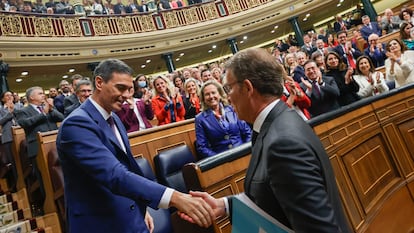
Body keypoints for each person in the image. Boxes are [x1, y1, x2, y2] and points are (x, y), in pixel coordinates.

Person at [182, 48, 352, 233]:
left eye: (229, 88)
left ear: (248, 88)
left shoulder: (283, 144)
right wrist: (225, 205)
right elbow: (273, 195)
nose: (228, 97)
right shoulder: (276, 121)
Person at [56, 59, 215, 233]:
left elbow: (128, 166)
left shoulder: (114, 117)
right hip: (102, 223)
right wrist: (175, 197)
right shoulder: (76, 124)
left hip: (131, 216)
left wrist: (142, 207)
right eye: (121, 88)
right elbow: (114, 175)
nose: (126, 95)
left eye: (129, 89)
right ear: (99, 83)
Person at [195, 80, 251, 159]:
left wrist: (246, 150)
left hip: (244, 154)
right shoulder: (200, 119)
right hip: (222, 161)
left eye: (213, 92)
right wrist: (219, 159)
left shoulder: (232, 109)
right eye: (207, 94)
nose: (211, 96)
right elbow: (202, 147)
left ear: (220, 94)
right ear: (203, 99)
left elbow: (247, 133)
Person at [0, 91, 22, 190]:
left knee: (23, 160)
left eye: (11, 95)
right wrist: (9, 113)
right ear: (3, 99)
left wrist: (14, 110)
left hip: (21, 136)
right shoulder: (0, 109)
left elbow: (23, 118)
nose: (9, 97)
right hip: (8, 138)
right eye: (7, 96)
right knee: (13, 162)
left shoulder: (19, 106)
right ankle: (18, 184)